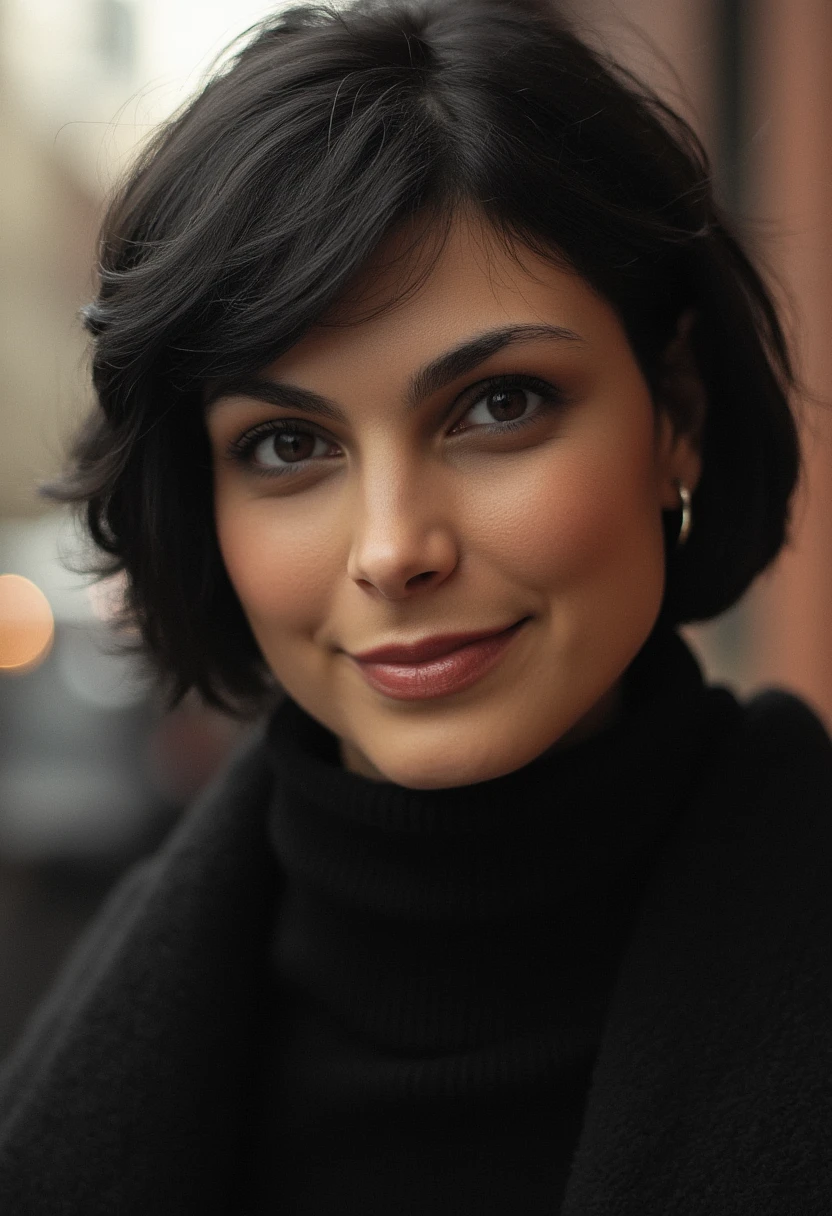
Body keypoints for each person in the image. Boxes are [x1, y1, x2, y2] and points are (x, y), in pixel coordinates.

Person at [1, 0, 830, 1211]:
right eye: (288, 443)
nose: (394, 550)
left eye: (499, 406)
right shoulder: (60, 1046)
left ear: (678, 415)